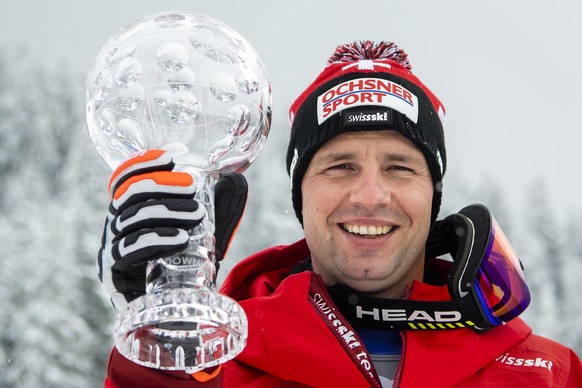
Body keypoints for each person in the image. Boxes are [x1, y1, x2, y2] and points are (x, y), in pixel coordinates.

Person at [99, 41, 582, 387]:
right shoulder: (220, 368)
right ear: (301, 198)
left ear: (432, 197)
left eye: (399, 168)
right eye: (340, 166)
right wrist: (160, 354)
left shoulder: (550, 374)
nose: (370, 195)